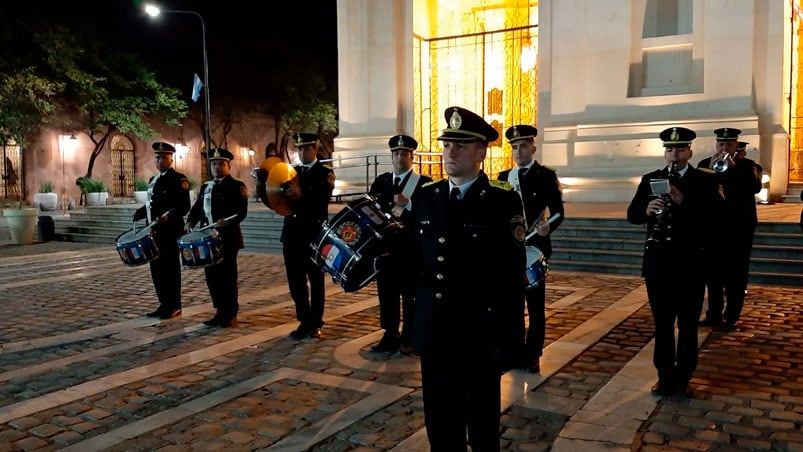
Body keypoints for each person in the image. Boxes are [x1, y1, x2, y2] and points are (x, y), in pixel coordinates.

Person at [414, 106, 526, 450]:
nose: (451, 151)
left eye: (461, 145)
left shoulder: (500, 200)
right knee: (440, 426)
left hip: (478, 336)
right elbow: (416, 264)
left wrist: (510, 341)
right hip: (434, 333)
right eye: (447, 144)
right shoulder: (428, 196)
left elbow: (511, 276)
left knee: (481, 428)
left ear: (481, 152)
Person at [627, 126, 721, 397]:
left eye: (680, 149)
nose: (674, 154)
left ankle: (684, 375)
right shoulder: (651, 179)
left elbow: (716, 217)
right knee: (663, 323)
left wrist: (684, 202)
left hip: (690, 264)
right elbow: (632, 214)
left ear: (690, 150)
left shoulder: (704, 180)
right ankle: (664, 375)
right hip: (659, 264)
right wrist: (646, 210)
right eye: (670, 149)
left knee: (688, 323)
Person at [497, 125, 564, 374]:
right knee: (511, 305)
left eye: (523, 146)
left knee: (535, 306)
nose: (518, 151)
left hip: (535, 247)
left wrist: (548, 226)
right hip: (510, 250)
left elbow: (558, 211)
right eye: (514, 147)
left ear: (533, 147)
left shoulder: (545, 176)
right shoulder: (504, 178)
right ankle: (513, 350)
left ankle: (533, 353)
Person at [367, 134, 432, 354]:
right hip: (385, 249)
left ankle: (409, 336)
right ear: (391, 156)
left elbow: (430, 213)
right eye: (396, 153)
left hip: (410, 250)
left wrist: (410, 203)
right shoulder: (382, 181)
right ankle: (390, 334)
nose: (400, 157)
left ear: (411, 157)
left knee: (410, 294)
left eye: (404, 153)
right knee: (387, 294)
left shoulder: (424, 183)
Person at [696, 128, 762, 329]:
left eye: (729, 144)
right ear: (716, 145)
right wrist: (711, 170)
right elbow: (698, 190)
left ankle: (731, 316)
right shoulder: (705, 164)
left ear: (736, 145)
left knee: (737, 273)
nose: (724, 147)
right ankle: (714, 314)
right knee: (712, 274)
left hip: (739, 229)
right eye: (721, 144)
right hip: (713, 228)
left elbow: (755, 187)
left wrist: (734, 168)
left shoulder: (748, 165)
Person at [185, 148, 249, 327]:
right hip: (207, 238)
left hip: (227, 238)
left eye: (221, 164)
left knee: (227, 277)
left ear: (228, 165)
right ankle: (219, 310)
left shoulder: (237, 186)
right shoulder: (207, 186)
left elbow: (241, 212)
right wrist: (191, 220)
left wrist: (227, 222)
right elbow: (198, 207)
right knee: (212, 276)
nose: (217, 167)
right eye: (213, 164)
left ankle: (230, 313)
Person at [280, 132, 335, 340]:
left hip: (313, 234)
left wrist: (298, 196)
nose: (303, 152)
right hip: (292, 233)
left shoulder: (324, 173)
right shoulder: (290, 172)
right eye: (300, 148)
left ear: (315, 149)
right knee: (295, 282)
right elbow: (279, 199)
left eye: (307, 148)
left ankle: (316, 321)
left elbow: (320, 201)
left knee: (316, 280)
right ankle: (304, 319)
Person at [133, 142, 191, 319]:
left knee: (170, 269)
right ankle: (163, 303)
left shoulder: (178, 179)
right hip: (154, 232)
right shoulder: (154, 180)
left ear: (171, 159)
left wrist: (169, 216)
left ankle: (174, 305)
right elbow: (152, 205)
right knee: (157, 269)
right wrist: (140, 213)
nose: (159, 161)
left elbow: (184, 206)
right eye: (157, 158)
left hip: (170, 231)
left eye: (163, 157)